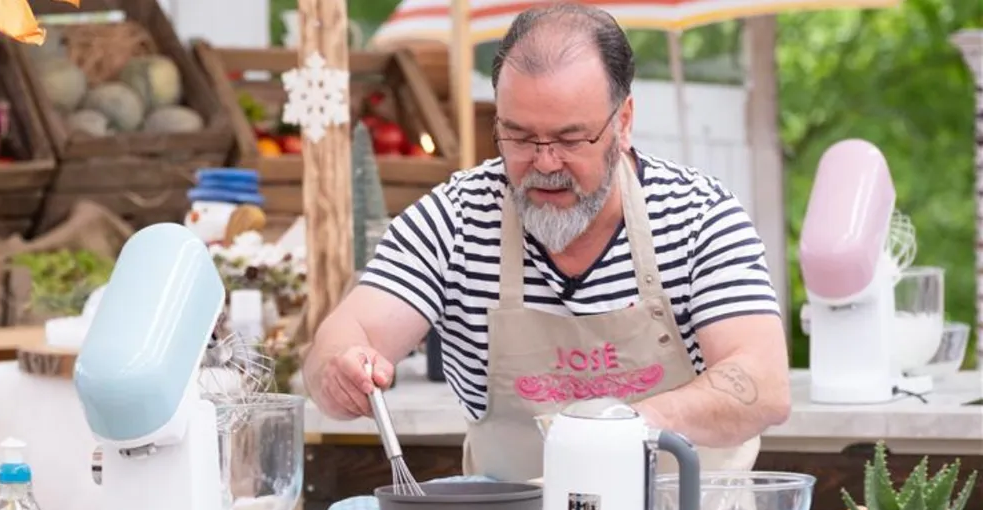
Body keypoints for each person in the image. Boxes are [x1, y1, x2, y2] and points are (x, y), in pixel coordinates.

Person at [303, 3, 791, 482]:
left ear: (622, 123)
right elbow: (347, 337)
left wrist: (621, 428)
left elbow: (763, 385)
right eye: (518, 137)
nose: (545, 163)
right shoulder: (453, 221)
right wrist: (340, 370)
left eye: (570, 139)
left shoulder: (699, 216)